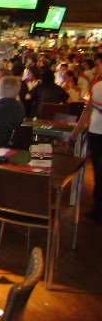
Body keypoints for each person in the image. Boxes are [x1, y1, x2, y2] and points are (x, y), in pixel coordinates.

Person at [71, 59, 102, 220]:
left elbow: (88, 108)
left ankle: (98, 208)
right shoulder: (95, 85)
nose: (97, 68)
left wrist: (76, 130)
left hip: (96, 131)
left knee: (98, 169)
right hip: (95, 131)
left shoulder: (96, 86)